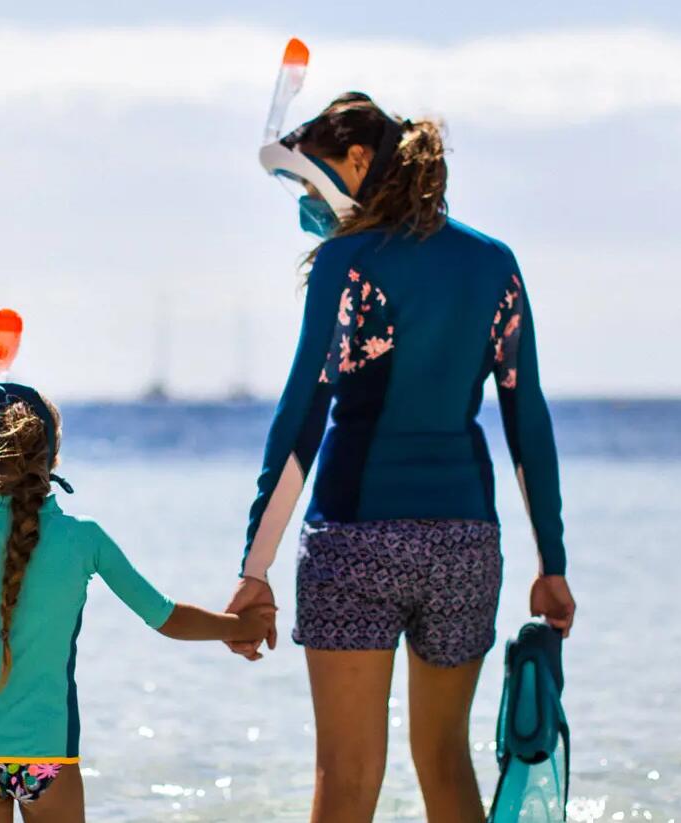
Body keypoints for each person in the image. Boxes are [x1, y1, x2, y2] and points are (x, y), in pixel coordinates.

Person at [231, 92, 577, 822]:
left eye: (309, 179)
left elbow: (301, 417)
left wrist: (253, 570)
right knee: (447, 764)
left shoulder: (345, 261)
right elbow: (526, 418)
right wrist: (553, 565)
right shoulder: (495, 265)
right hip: (463, 543)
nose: (306, 200)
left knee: (347, 778)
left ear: (358, 161)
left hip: (354, 537)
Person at [0, 383, 274, 822]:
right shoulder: (85, 538)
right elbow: (166, 618)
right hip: (50, 759)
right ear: (52, 455)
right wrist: (240, 627)